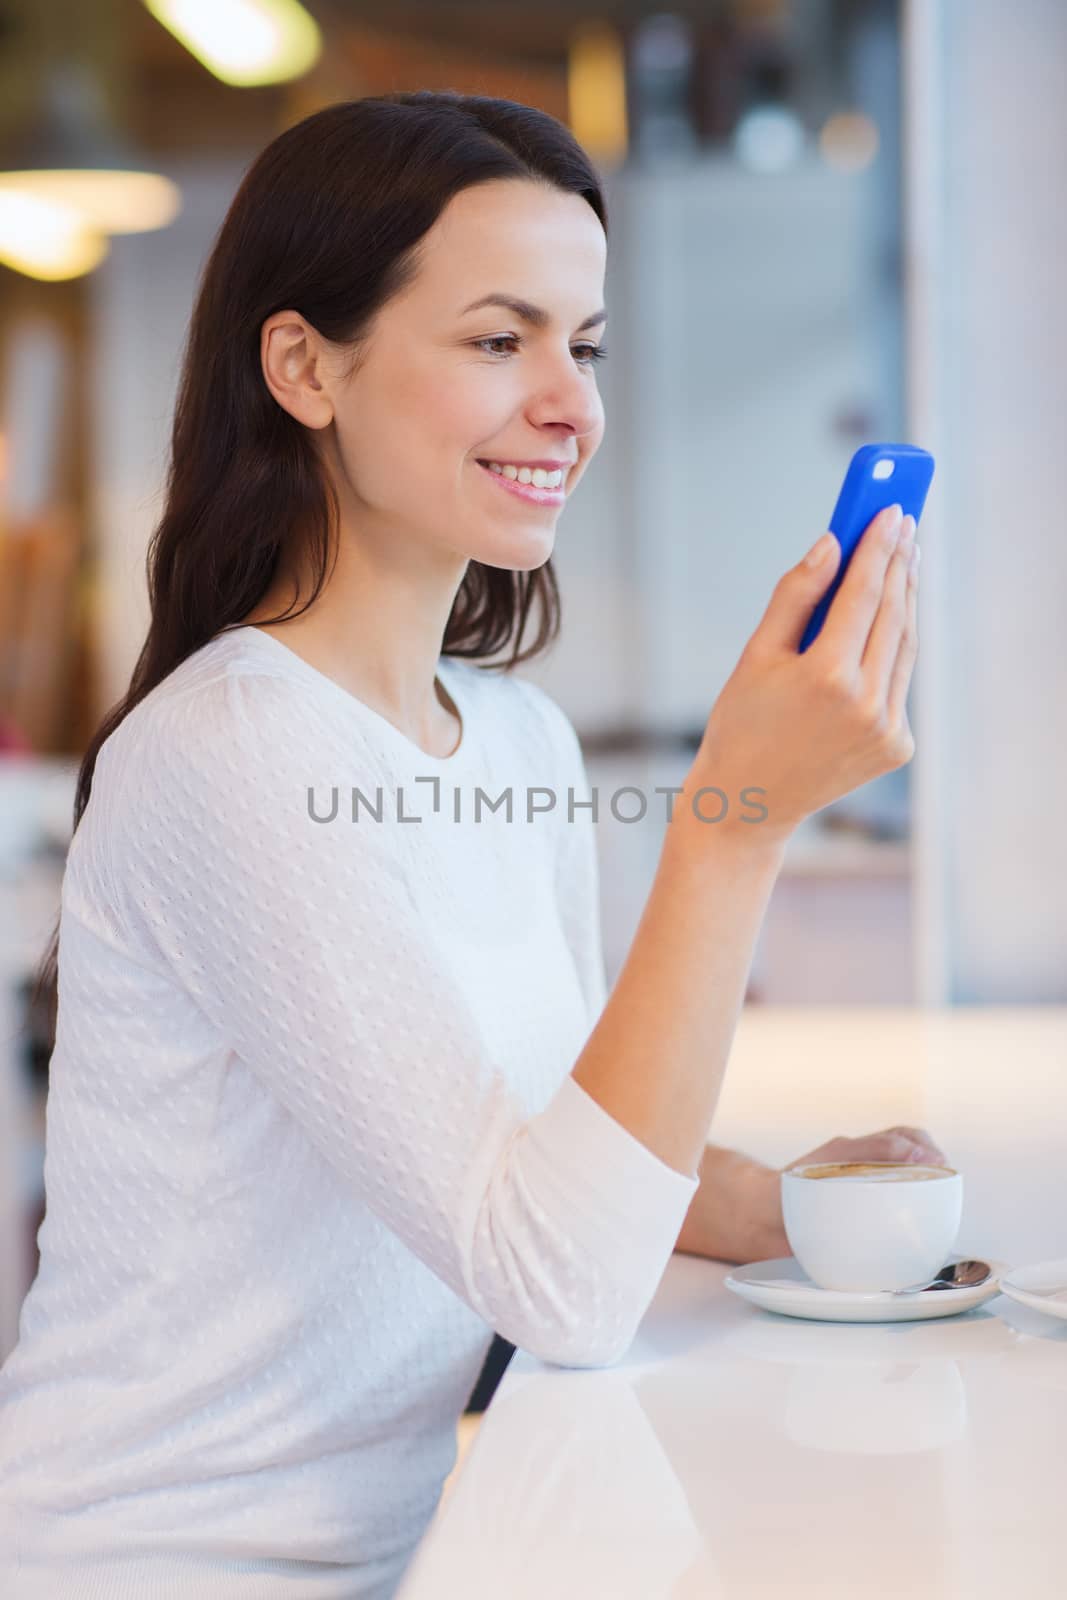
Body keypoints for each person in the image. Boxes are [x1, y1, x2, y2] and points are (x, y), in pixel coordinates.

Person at [0, 89, 945, 1598]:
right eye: (501, 342)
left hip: (384, 1554)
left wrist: (802, 1207)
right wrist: (734, 821)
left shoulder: (515, 742)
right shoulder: (235, 750)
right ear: (305, 367)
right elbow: (557, 1283)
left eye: (586, 345)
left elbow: (548, 1154)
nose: (571, 404)